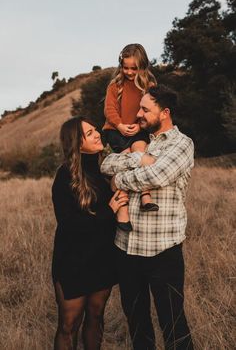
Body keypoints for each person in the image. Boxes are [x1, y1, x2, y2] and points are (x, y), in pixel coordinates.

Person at [101, 84, 194, 350]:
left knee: (173, 323)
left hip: (162, 250)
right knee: (137, 324)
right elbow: (105, 164)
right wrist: (141, 158)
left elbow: (158, 176)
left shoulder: (182, 144)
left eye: (145, 109)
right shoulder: (141, 142)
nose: (138, 114)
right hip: (126, 249)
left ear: (164, 112)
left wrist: (119, 178)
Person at [51, 116, 128, 350]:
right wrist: (109, 210)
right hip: (74, 260)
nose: (97, 134)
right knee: (69, 325)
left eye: (96, 130)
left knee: (96, 316)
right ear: (77, 141)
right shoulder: (65, 175)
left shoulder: (106, 171)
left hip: (103, 256)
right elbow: (69, 224)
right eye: (90, 132)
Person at [103, 43, 158, 232]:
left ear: (142, 66)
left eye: (133, 68)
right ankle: (123, 211)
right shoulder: (115, 85)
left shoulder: (149, 85)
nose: (129, 71)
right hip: (115, 130)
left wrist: (137, 123)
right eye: (125, 67)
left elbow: (148, 109)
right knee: (126, 161)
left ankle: (145, 195)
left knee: (141, 153)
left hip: (137, 129)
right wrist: (119, 125)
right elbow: (109, 109)